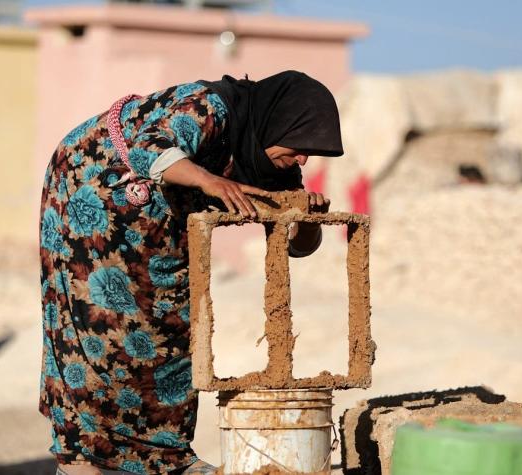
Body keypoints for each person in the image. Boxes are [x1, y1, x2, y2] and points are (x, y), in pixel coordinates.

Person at [39, 70, 344, 475]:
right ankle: (81, 458)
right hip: (90, 189)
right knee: (97, 325)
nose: (304, 158)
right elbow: (148, 148)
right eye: (300, 145)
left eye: (311, 150)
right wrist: (209, 180)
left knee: (171, 322)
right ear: (279, 121)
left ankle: (166, 454)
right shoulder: (208, 107)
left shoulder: (274, 162)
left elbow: (297, 247)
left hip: (158, 221)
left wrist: (308, 219)